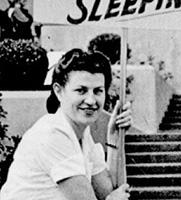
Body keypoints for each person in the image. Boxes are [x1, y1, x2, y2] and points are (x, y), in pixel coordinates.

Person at [0, 48, 132, 200]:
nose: (91, 100)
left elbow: (109, 190)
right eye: (81, 90)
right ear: (59, 91)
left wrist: (114, 137)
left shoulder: (83, 134)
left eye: (98, 91)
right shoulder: (53, 133)